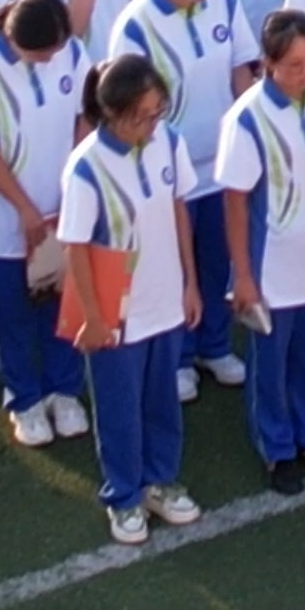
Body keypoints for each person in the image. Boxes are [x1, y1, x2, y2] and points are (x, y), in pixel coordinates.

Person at [217, 8, 305, 494]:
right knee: (271, 364)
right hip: (272, 269)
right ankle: (276, 448)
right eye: (294, 64)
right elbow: (236, 202)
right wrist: (243, 275)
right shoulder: (246, 119)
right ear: (268, 63)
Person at [61, 49, 203, 546]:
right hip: (115, 311)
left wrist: (190, 282)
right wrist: (93, 317)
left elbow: (178, 210)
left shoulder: (169, 141)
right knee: (119, 409)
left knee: (162, 399)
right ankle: (123, 496)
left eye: (156, 112)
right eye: (140, 116)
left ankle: (160, 480)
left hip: (164, 298)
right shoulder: (85, 167)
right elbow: (76, 247)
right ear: (111, 112)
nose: (150, 124)